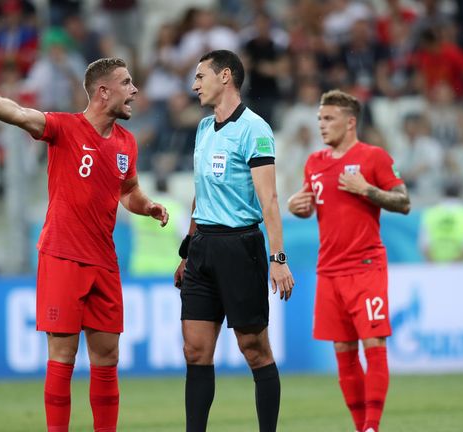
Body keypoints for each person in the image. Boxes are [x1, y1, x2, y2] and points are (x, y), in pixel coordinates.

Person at [0, 57, 168, 432]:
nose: (135, 90)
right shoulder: (65, 128)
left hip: (104, 261)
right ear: (103, 91)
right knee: (63, 354)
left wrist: (148, 206)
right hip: (62, 255)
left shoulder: (127, 143)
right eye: (126, 83)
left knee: (107, 356)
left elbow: (129, 192)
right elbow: (16, 113)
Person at [174, 50, 294, 432]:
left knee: (254, 349)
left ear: (225, 76)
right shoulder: (204, 128)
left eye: (200, 76)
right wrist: (186, 250)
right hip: (203, 246)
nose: (194, 85)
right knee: (195, 350)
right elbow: (200, 193)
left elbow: (269, 199)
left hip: (241, 247)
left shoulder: (255, 129)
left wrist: (277, 257)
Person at [287, 90, 410, 432]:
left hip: (365, 266)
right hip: (328, 271)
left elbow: (403, 201)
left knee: (374, 343)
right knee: (343, 350)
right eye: (320, 120)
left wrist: (367, 189)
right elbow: (311, 204)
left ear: (350, 121)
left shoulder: (374, 157)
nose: (322, 126)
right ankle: (361, 428)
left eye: (329, 119)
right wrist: (298, 208)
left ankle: (372, 426)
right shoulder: (314, 162)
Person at [419, 180, 463, 263]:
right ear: (461, 194)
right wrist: (456, 264)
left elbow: (424, 245)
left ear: (443, 193)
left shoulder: (430, 213)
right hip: (462, 269)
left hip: (436, 268)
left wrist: (434, 265)